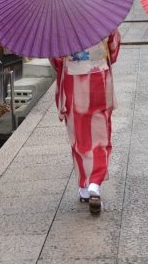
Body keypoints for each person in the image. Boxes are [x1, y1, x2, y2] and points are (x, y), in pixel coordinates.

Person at [50, 28, 121, 214]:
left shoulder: (60, 25)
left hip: (74, 82)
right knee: (100, 135)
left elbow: (56, 60)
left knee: (79, 135)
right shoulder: (105, 22)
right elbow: (113, 52)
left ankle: (83, 186)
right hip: (99, 80)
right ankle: (94, 185)